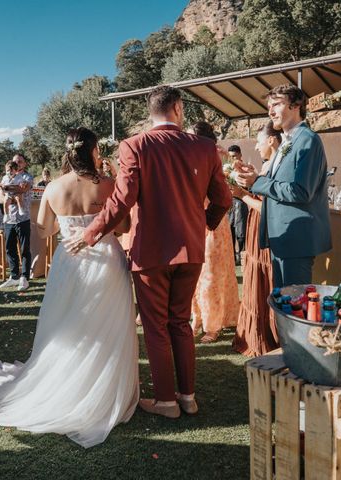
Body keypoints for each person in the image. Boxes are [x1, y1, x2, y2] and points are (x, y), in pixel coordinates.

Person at [0, 127, 138, 448]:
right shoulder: (108, 186)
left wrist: (66, 222)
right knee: (109, 329)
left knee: (68, 326)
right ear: (93, 152)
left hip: (68, 264)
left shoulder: (52, 188)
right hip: (106, 261)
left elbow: (45, 232)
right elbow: (126, 226)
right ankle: (105, 390)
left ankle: (70, 385)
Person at [65, 86, 232, 419]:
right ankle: (188, 397)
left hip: (151, 252)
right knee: (181, 323)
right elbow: (224, 199)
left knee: (156, 327)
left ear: (151, 111)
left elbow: (122, 200)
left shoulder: (134, 146)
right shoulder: (205, 148)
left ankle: (167, 402)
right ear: (179, 109)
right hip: (191, 250)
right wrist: (204, 225)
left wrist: (90, 233)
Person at [235, 84, 332, 287]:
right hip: (282, 238)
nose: (270, 111)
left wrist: (258, 182)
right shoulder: (286, 142)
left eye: (277, 104)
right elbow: (276, 183)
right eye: (269, 106)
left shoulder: (308, 140)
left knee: (293, 307)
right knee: (283, 304)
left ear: (296, 105)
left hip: (297, 241)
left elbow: (301, 192)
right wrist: (252, 178)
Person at [232, 121, 281, 356]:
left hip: (265, 231)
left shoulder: (277, 166)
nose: (257, 146)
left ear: (272, 141)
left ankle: (265, 336)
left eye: (259, 141)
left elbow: (267, 209)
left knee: (264, 281)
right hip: (255, 232)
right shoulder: (269, 164)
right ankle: (252, 335)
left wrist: (241, 196)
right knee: (255, 279)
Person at [188, 122, 239, 343]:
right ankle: (196, 318)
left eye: (190, 137)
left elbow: (223, 194)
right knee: (196, 274)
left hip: (213, 223)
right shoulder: (190, 159)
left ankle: (212, 324)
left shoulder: (219, 158)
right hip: (194, 222)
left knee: (212, 274)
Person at [0, 154, 34, 291]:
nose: (17, 163)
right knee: (10, 248)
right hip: (9, 220)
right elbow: (1, 199)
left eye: (20, 162)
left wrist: (11, 193)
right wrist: (8, 195)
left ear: (24, 164)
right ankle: (14, 276)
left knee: (24, 249)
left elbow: (23, 189)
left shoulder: (27, 177)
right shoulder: (5, 177)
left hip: (23, 218)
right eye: (15, 162)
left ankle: (24, 278)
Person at [227, 145, 248, 266]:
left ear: (240, 155)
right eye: (230, 157)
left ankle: (241, 256)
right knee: (230, 232)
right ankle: (232, 259)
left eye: (234, 156)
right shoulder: (227, 170)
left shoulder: (246, 169)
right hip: (230, 204)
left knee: (241, 233)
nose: (233, 159)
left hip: (241, 203)